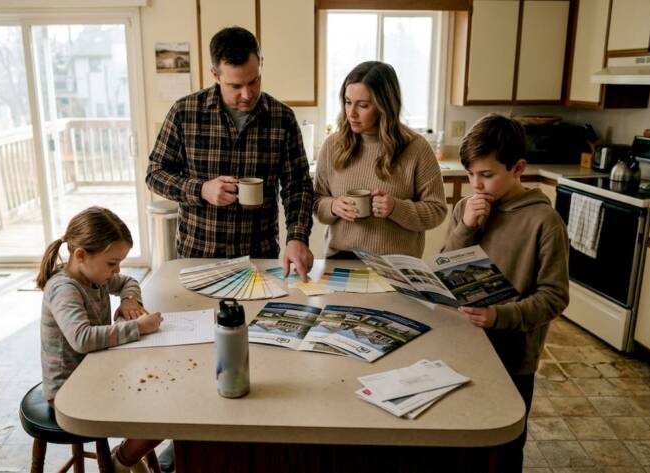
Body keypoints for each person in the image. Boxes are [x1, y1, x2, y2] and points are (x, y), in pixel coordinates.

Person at [440, 114, 569, 472]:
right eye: (470, 175)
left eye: (487, 175)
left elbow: (555, 297)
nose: (476, 185)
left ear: (519, 168)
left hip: (513, 354)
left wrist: (502, 316)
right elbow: (444, 263)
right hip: (465, 342)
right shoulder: (467, 208)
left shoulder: (544, 222)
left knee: (507, 445)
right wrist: (466, 228)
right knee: (465, 432)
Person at [146, 26, 314, 280]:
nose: (247, 94)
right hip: (199, 256)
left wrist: (297, 237)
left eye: (254, 80)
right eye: (235, 85)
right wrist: (201, 189)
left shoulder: (282, 118)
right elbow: (155, 174)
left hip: (260, 257)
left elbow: (298, 186)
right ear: (215, 74)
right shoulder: (185, 112)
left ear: (261, 66)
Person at [37, 206, 165, 473]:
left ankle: (124, 458)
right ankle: (122, 461)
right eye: (112, 263)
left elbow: (128, 281)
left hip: (95, 373)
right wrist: (138, 327)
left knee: (165, 398)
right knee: (160, 410)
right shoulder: (64, 288)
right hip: (69, 389)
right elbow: (82, 338)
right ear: (81, 255)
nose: (116, 269)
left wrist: (131, 299)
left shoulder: (96, 276)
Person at [313, 61, 447, 259]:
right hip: (341, 259)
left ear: (385, 106)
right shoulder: (332, 145)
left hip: (397, 265)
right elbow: (316, 201)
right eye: (348, 102)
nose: (351, 113)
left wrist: (396, 208)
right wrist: (332, 206)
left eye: (363, 105)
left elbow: (437, 210)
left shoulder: (417, 148)